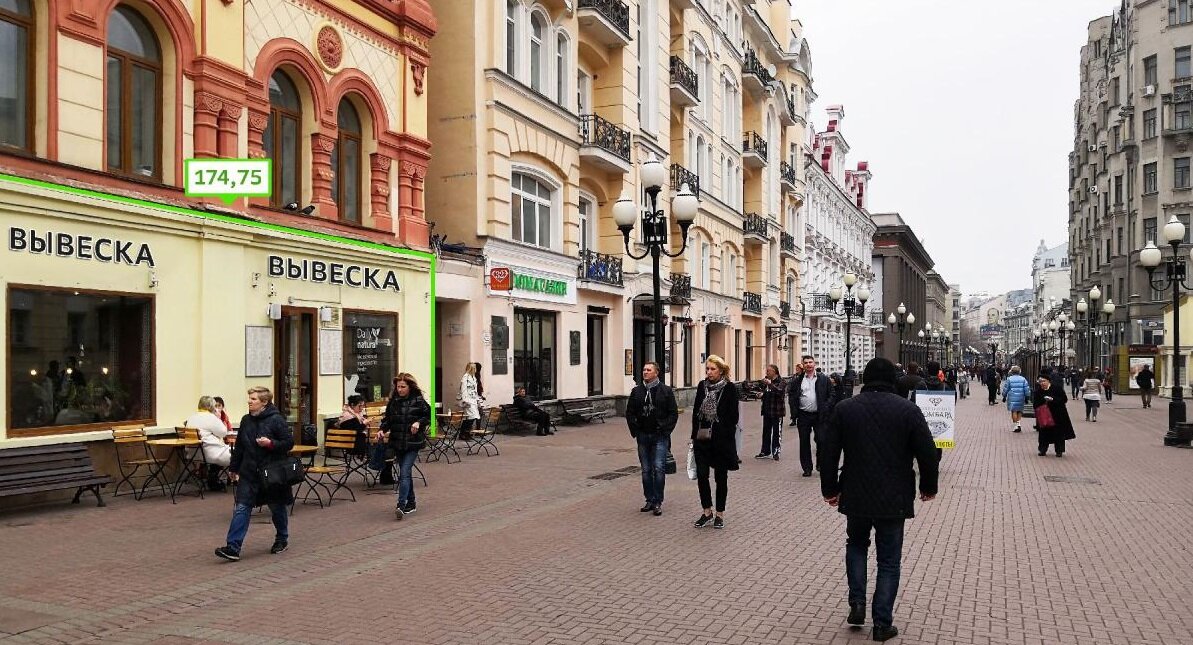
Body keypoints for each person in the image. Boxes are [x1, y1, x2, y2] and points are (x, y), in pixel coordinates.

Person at [820, 357, 939, 642]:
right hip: (894, 496)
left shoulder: (845, 409)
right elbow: (927, 452)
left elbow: (827, 452)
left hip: (856, 492)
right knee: (889, 560)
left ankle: (857, 605)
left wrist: (830, 488)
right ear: (892, 380)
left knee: (857, 545)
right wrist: (928, 486)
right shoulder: (908, 410)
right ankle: (883, 623)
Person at [215, 386, 293, 561]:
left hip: (271, 473)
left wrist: (270, 444)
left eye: (253, 399)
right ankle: (233, 547)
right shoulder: (246, 420)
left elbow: (288, 443)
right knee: (242, 507)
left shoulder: (276, 420)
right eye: (249, 399)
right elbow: (240, 447)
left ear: (264, 402)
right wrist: (233, 468)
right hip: (249, 472)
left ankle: (282, 538)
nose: (249, 402)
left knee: (276, 506)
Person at [691, 355, 739, 529]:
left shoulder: (730, 388)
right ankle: (706, 512)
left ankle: (719, 513)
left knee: (721, 478)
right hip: (702, 439)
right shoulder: (702, 387)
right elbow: (696, 412)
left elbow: (734, 417)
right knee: (702, 476)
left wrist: (721, 431)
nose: (709, 372)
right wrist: (694, 436)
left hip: (721, 441)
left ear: (721, 370)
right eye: (707, 369)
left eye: (712, 369)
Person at [625, 362, 678, 516]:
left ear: (656, 373)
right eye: (644, 369)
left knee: (658, 468)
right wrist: (635, 430)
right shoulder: (637, 391)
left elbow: (673, 414)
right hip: (643, 436)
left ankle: (658, 501)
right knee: (646, 470)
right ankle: (649, 499)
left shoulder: (665, 391)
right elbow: (630, 412)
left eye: (649, 370)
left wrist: (665, 430)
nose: (645, 372)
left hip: (659, 436)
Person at [378, 372, 431, 519]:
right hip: (397, 442)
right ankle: (412, 503)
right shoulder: (393, 401)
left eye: (403, 387)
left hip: (413, 443)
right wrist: (382, 430)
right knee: (405, 474)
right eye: (398, 387)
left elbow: (428, 415)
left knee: (404, 472)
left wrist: (419, 422)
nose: (400, 389)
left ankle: (401, 505)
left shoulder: (418, 400)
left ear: (409, 387)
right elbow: (387, 420)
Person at [787, 355, 836, 477]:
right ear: (803, 365)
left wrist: (826, 406)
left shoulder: (823, 379)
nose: (808, 364)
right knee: (804, 442)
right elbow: (792, 395)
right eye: (806, 363)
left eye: (810, 362)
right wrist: (794, 410)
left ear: (814, 364)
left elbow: (832, 394)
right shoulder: (797, 380)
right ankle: (807, 468)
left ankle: (820, 463)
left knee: (821, 439)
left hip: (820, 415)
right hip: (803, 415)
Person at [185, 396, 231, 491]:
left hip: (194, 453)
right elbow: (223, 433)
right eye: (214, 406)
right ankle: (244, 482)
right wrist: (218, 417)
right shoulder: (210, 418)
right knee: (241, 454)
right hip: (211, 454)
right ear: (211, 407)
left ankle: (213, 479)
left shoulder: (192, 417)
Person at [1034, 374, 1076, 456]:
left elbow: (1064, 399)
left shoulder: (1057, 388)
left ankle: (1059, 451)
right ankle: (1042, 450)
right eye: (1040, 382)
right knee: (1044, 433)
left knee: (1058, 433)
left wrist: (1053, 399)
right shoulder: (1038, 391)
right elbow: (1035, 403)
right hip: (1045, 416)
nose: (1042, 383)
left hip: (1058, 415)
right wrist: (1042, 403)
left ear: (1048, 381)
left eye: (1044, 381)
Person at [756, 364, 786, 460]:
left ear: (774, 371)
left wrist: (770, 384)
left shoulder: (781, 381)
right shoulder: (767, 382)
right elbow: (768, 393)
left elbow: (779, 392)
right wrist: (762, 395)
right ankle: (765, 451)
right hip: (767, 410)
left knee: (777, 432)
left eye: (768, 371)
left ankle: (776, 451)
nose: (766, 373)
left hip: (777, 411)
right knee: (766, 431)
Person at [1001, 366, 1031, 432]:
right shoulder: (1023, 379)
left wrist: (1004, 396)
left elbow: (1006, 388)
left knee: (1014, 411)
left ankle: (1015, 426)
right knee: (1020, 410)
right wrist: (1027, 396)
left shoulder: (1009, 379)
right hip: (1021, 396)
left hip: (1012, 397)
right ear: (1019, 371)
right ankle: (1018, 424)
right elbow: (1026, 389)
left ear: (1012, 372)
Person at [458, 362, 483, 436]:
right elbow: (463, 389)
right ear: (472, 369)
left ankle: (465, 433)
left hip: (473, 400)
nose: (475, 370)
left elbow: (475, 390)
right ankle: (464, 433)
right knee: (470, 417)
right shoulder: (465, 377)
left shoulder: (473, 377)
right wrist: (465, 401)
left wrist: (478, 401)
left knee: (472, 417)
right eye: (474, 368)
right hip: (468, 400)